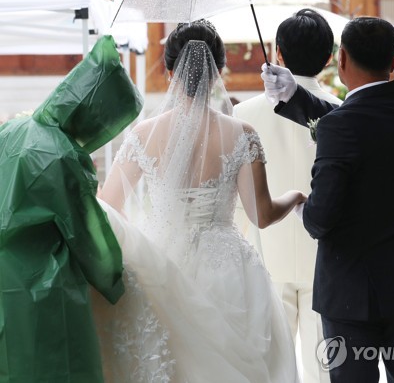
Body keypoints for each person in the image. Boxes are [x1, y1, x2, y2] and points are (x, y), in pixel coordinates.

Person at [97, 19, 304, 382]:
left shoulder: (144, 134)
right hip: (226, 269)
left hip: (161, 261)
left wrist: (141, 240)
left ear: (170, 72)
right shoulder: (242, 134)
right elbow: (262, 215)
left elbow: (107, 206)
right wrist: (295, 196)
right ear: (217, 71)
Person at [262, 16, 394, 383]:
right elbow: (358, 122)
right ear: (393, 61)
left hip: (350, 292)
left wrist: (300, 206)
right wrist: (294, 97)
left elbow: (320, 219)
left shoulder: (342, 126)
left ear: (342, 58)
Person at [0, 35, 143, 382]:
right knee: (55, 367)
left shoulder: (12, 129)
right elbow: (86, 230)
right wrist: (115, 281)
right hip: (44, 286)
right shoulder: (62, 155)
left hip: (5, 277)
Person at [233, 9, 341, 383]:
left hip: (266, 253)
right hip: (325, 257)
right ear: (330, 57)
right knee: (325, 367)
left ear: (277, 53)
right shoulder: (343, 114)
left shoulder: (243, 114)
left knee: (272, 369)